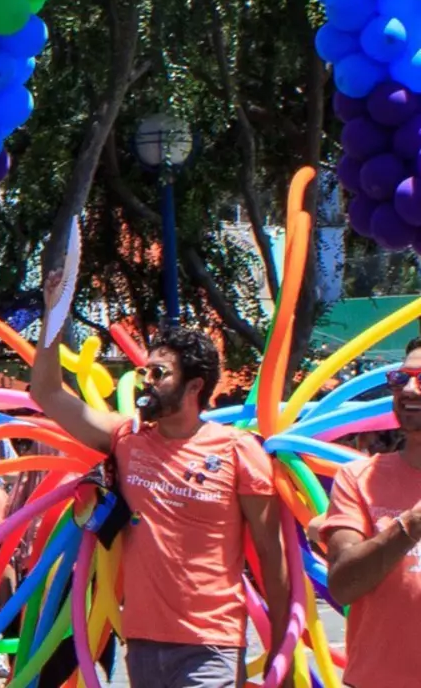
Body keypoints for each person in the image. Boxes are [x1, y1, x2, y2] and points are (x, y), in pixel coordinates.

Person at [28, 280, 289, 688]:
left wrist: (280, 650)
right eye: (143, 371)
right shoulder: (126, 440)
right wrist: (54, 312)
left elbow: (272, 558)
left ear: (195, 386)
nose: (146, 380)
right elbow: (46, 393)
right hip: (143, 643)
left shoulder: (238, 450)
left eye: (158, 373)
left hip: (211, 643)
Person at [316, 336, 421, 688]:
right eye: (400, 378)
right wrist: (409, 526)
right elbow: (343, 586)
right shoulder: (359, 477)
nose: (408, 388)